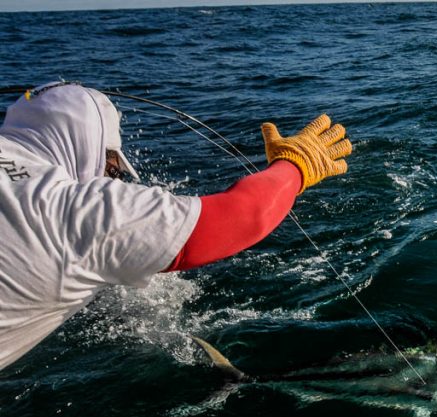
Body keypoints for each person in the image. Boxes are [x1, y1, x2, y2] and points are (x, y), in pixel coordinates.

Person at [0, 81, 352, 371]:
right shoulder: (80, 210)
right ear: (83, 143)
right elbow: (244, 215)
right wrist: (296, 167)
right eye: (112, 167)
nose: (114, 178)